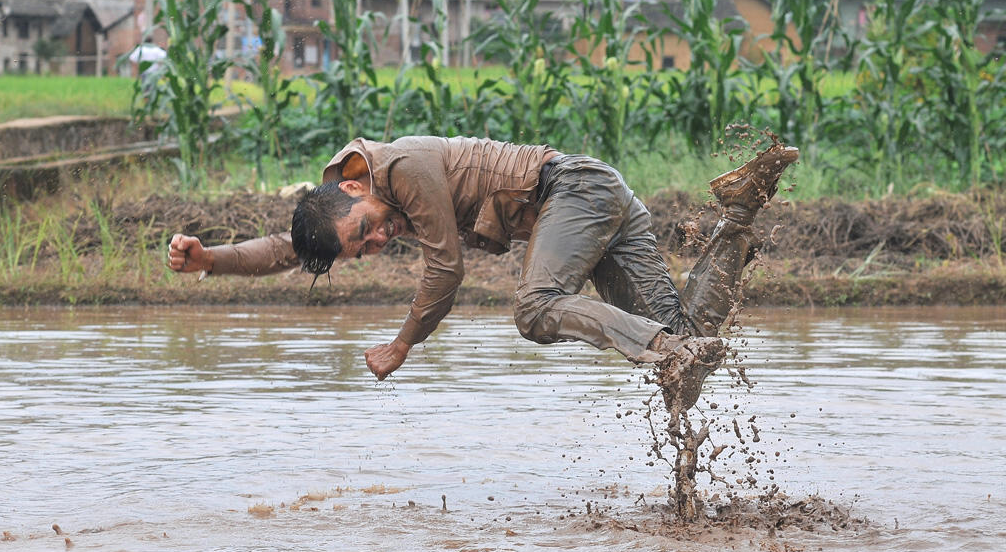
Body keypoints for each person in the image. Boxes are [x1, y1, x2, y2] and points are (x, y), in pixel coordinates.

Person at [168, 137, 798, 410]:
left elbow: (446, 269)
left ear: (355, 185)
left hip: (573, 191)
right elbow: (283, 247)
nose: (381, 240)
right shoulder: (356, 198)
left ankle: (663, 347)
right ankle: (738, 219)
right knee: (688, 363)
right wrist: (208, 260)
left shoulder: (405, 169)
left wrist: (402, 343)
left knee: (535, 307)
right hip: (596, 201)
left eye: (368, 230)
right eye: (366, 249)